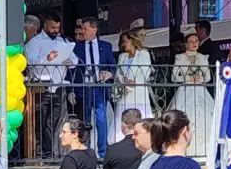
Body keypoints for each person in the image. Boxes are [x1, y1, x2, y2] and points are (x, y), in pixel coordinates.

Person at [28, 12, 75, 159]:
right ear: (45, 25)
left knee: (53, 121)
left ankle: (49, 150)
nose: (55, 30)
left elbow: (74, 60)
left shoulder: (63, 42)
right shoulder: (35, 42)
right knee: (41, 121)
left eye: (57, 27)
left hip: (59, 86)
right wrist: (47, 58)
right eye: (53, 27)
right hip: (42, 86)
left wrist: (70, 62)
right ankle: (43, 152)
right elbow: (30, 62)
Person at [73, 16, 117, 160]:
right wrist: (70, 90)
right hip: (84, 87)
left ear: (94, 29)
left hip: (100, 87)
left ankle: (103, 151)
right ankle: (87, 150)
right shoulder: (77, 47)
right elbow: (71, 70)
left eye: (85, 29)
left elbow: (113, 65)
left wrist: (109, 74)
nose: (83, 32)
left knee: (101, 119)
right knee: (84, 120)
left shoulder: (106, 46)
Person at [168, 32, 216, 161]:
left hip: (200, 90)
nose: (194, 43)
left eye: (196, 41)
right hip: (185, 89)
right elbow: (174, 77)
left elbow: (208, 77)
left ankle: (203, 151)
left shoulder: (203, 57)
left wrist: (199, 78)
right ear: (186, 44)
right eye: (191, 41)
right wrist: (188, 79)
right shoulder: (179, 57)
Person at [111, 30, 154, 139]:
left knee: (140, 117)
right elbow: (118, 74)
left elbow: (145, 72)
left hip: (138, 92)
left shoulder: (144, 54)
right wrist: (124, 81)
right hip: (125, 93)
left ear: (132, 40)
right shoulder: (122, 57)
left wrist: (133, 82)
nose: (123, 44)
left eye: (125, 41)